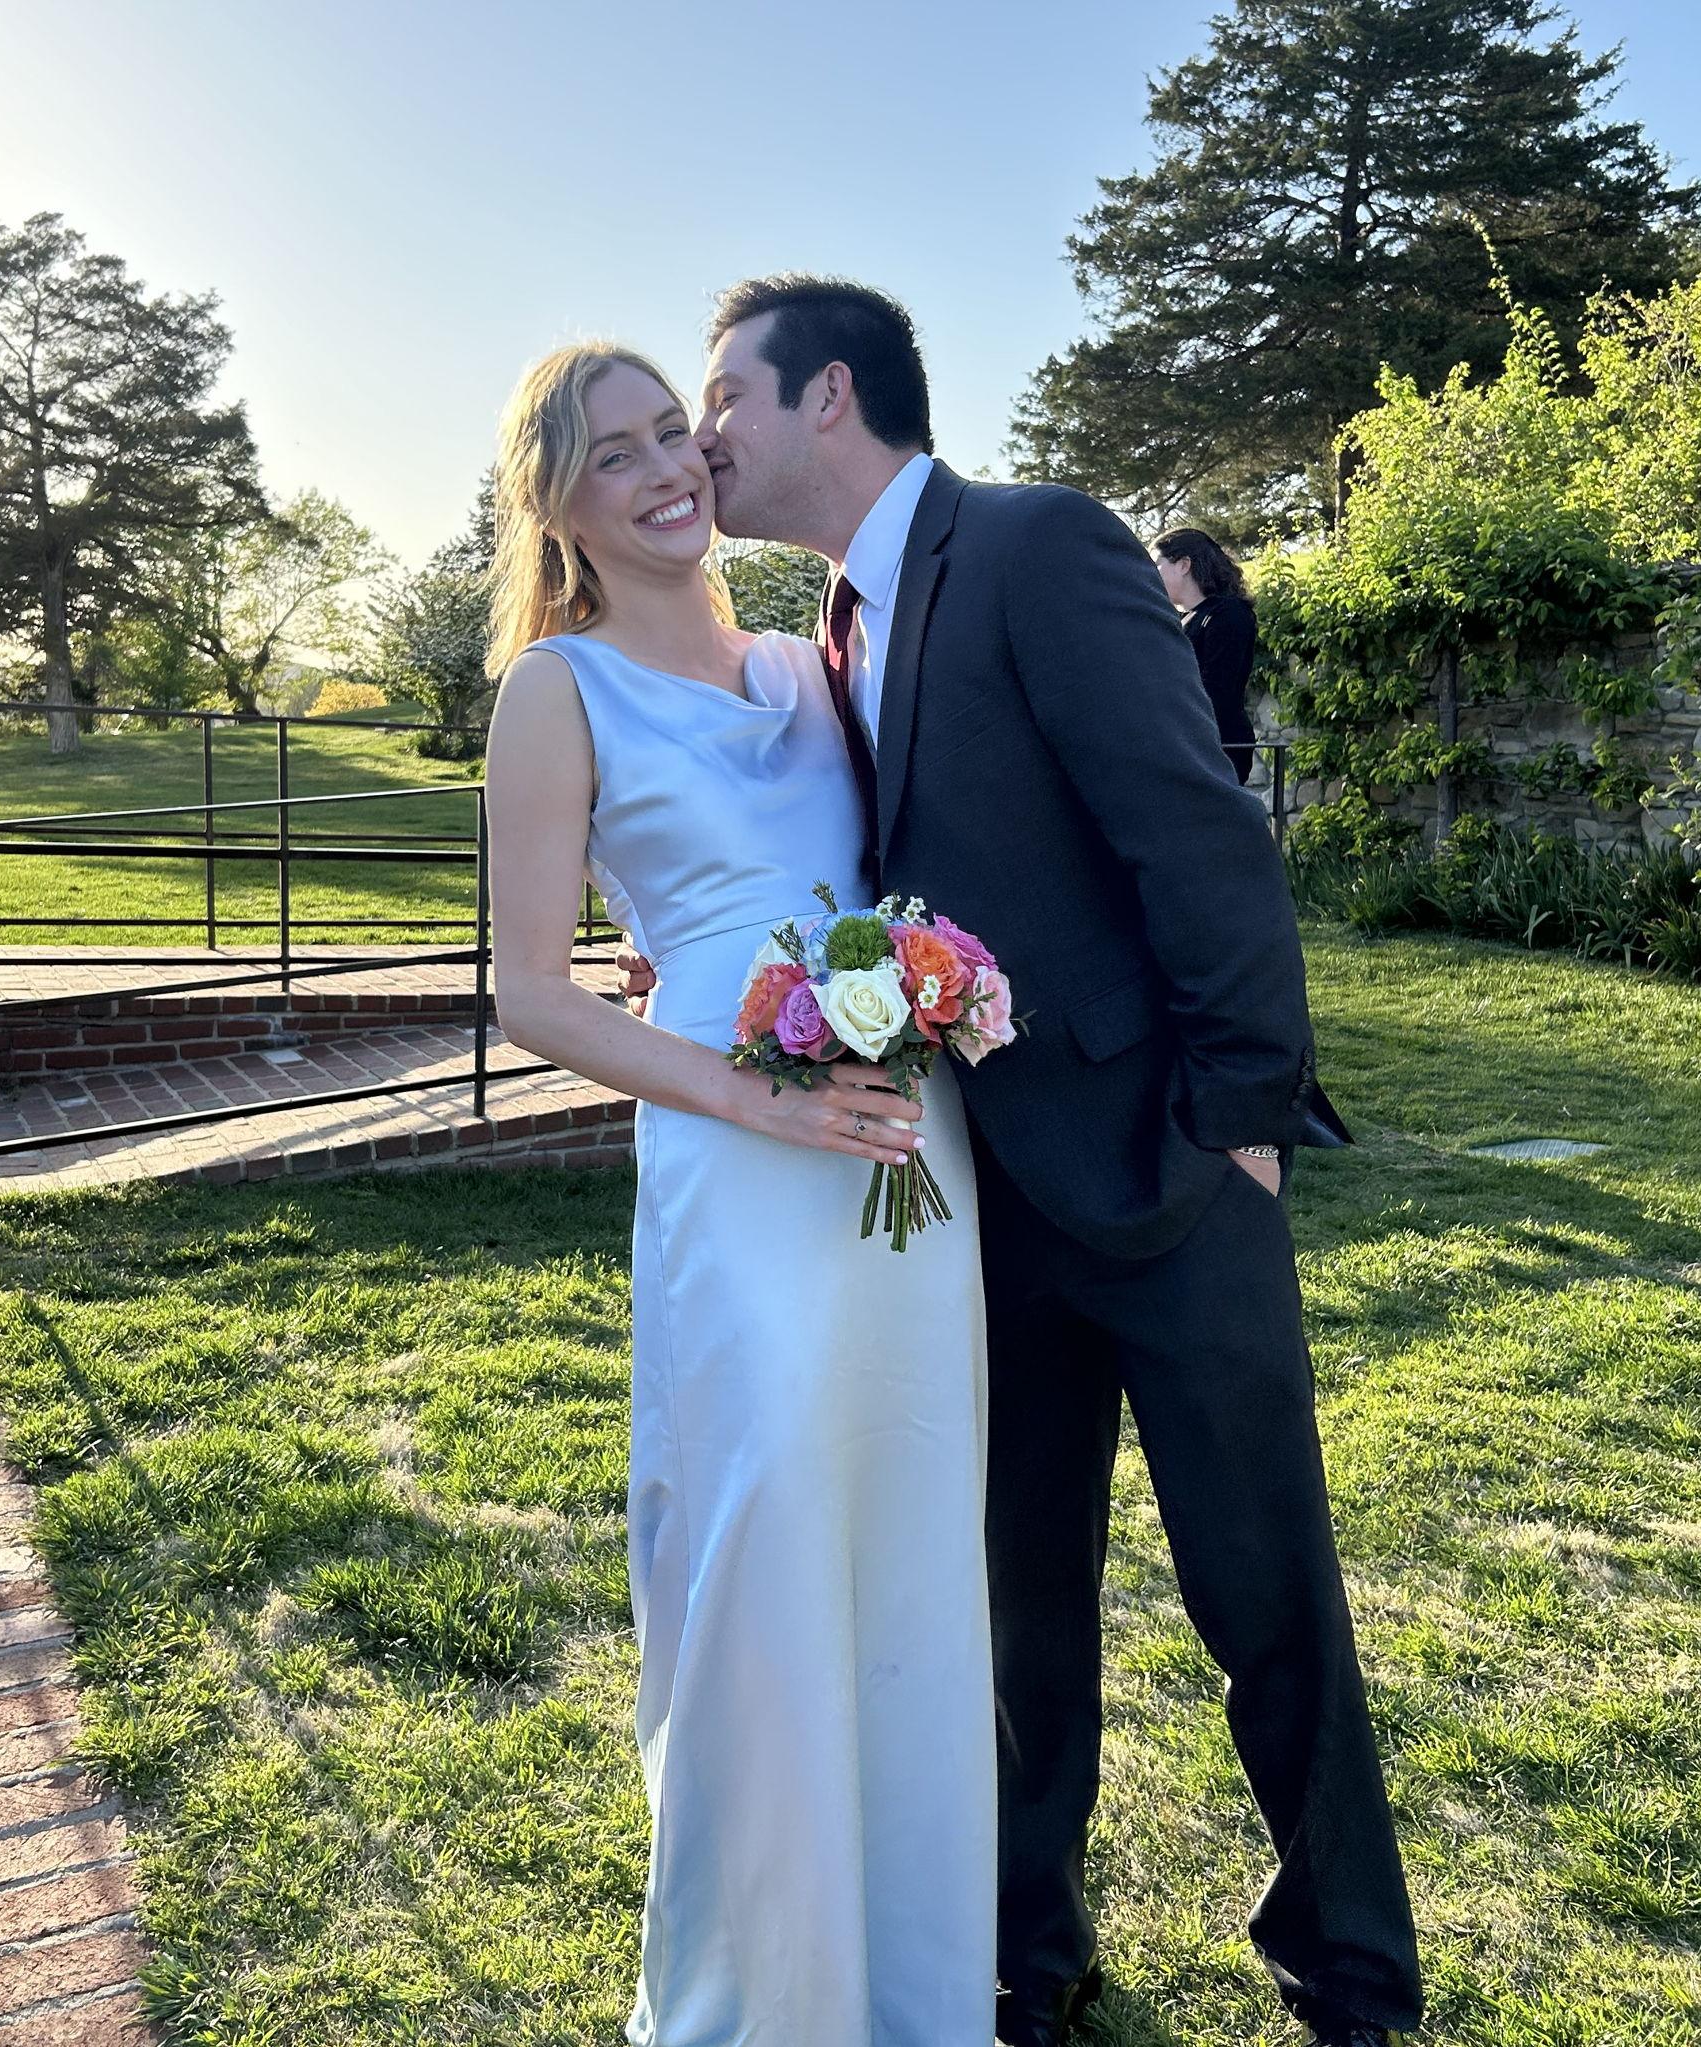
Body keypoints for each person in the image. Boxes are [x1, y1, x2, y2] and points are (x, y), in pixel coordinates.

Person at [622, 274, 1424, 2047]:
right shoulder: (823, 637)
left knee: (1264, 1594)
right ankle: (1026, 1955)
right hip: (969, 1215)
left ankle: (1350, 1979)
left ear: (827, 394)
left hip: (1162, 1178)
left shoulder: (1040, 543)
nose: (701, 439)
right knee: (1009, 1613)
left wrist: (1238, 1118)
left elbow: (1193, 830)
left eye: (720, 398)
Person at [481, 342, 996, 2046]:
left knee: (909, 1533)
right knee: (763, 1536)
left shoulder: (810, 658)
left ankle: (918, 1987)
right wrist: (744, 1093)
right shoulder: (553, 693)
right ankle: (761, 2002)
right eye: (609, 455)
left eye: (668, 434)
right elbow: (534, 993)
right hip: (735, 1146)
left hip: (899, 1143)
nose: (661, 471)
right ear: (553, 503)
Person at [1153, 526, 1257, 783]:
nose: (1153, 575)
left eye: (1158, 565)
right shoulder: (1183, 619)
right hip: (1187, 745)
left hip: (1216, 747)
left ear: (1184, 565)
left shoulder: (1228, 614)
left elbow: (1216, 690)